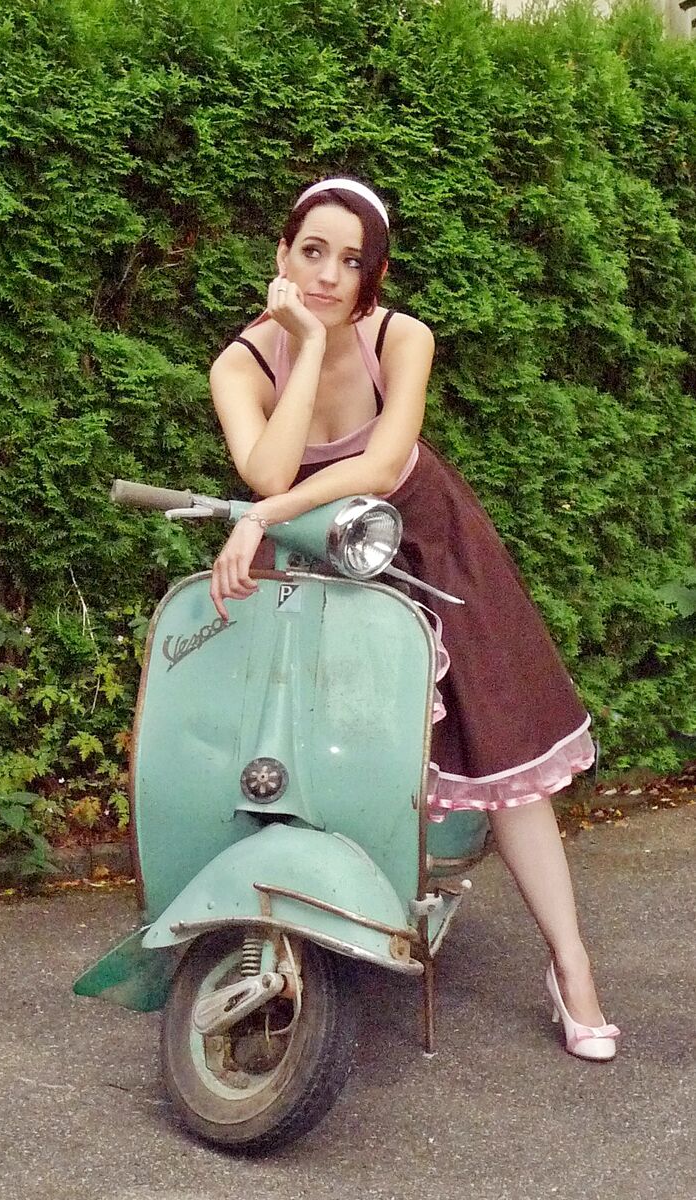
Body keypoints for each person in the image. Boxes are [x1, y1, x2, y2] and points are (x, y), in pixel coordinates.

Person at [208, 178, 620, 1062]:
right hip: (315, 554)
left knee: (505, 756)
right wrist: (304, 348)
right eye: (312, 252)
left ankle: (572, 965)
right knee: (298, 747)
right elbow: (269, 472)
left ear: (374, 277)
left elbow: (382, 462)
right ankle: (307, 919)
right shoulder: (241, 364)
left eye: (351, 261)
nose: (328, 275)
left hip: (429, 545)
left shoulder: (404, 337)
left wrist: (262, 517)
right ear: (281, 256)